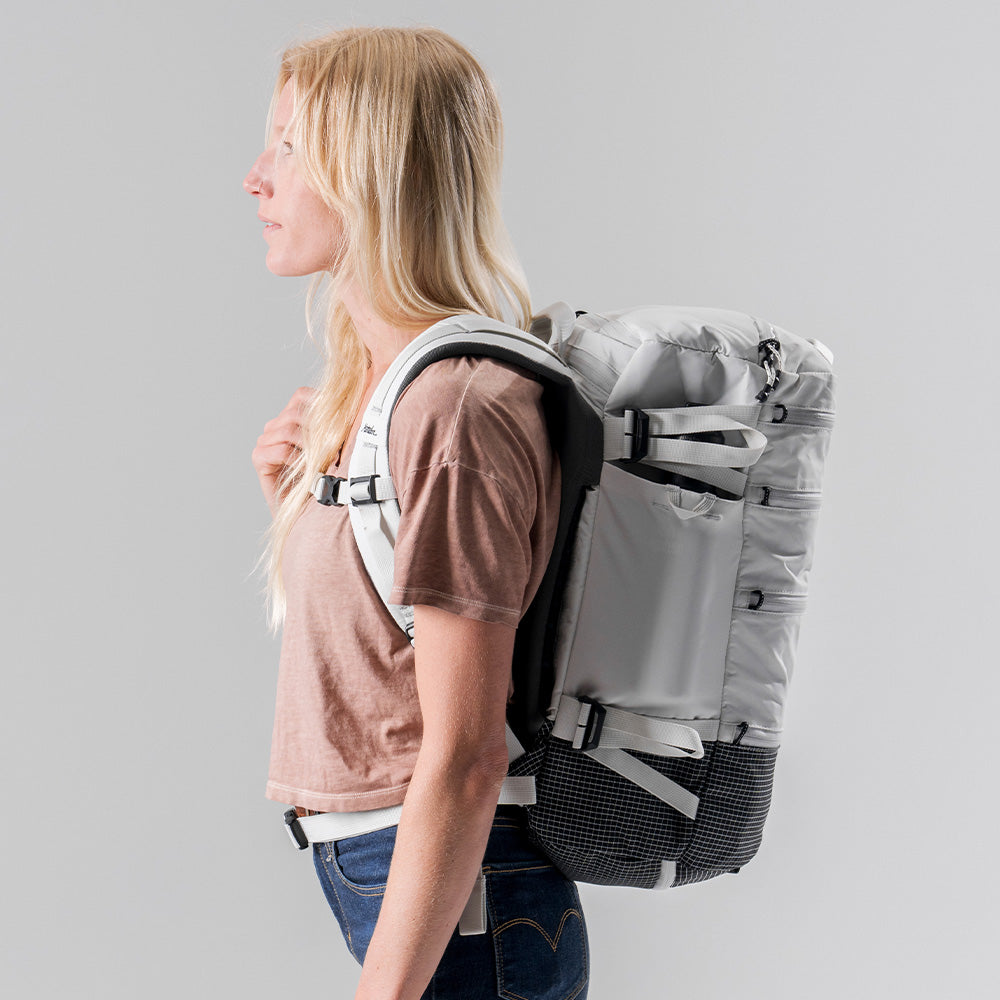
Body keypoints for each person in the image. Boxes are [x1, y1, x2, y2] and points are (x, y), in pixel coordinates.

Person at [243, 26, 589, 1000]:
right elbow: (382, 659)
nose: (254, 179)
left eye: (287, 146)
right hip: (422, 884)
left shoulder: (452, 409)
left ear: (370, 170)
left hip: (459, 898)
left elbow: (469, 752)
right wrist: (303, 512)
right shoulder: (392, 395)